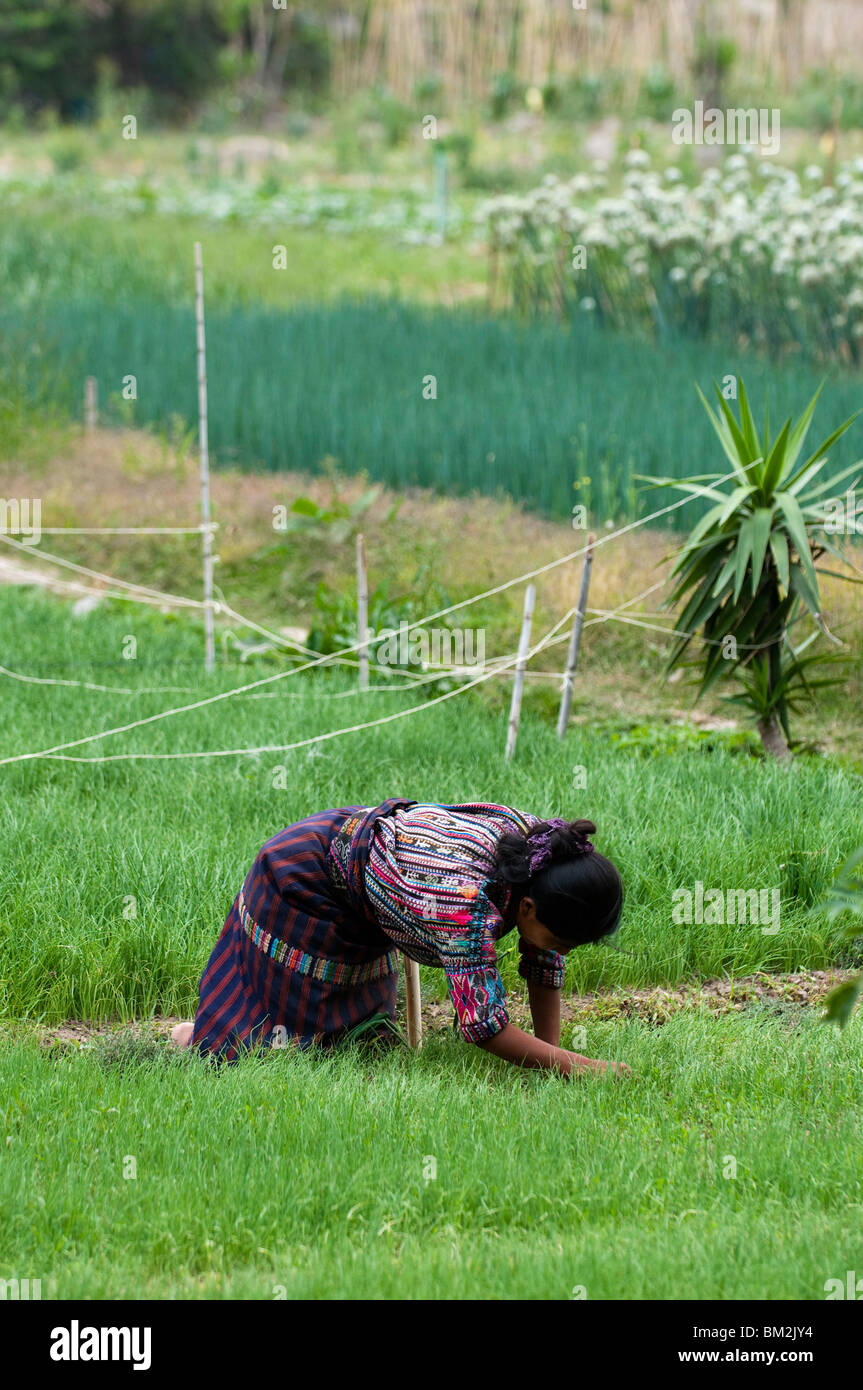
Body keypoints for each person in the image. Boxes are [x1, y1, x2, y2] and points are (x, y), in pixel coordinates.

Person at [171, 799, 628, 1078]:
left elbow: (543, 958)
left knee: (360, 1045)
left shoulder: (541, 856)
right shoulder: (465, 903)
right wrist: (586, 1070)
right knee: (279, 1047)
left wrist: (553, 1061)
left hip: (364, 889)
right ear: (527, 908)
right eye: (563, 941)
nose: (562, 953)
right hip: (302, 879)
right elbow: (485, 1027)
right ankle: (198, 1041)